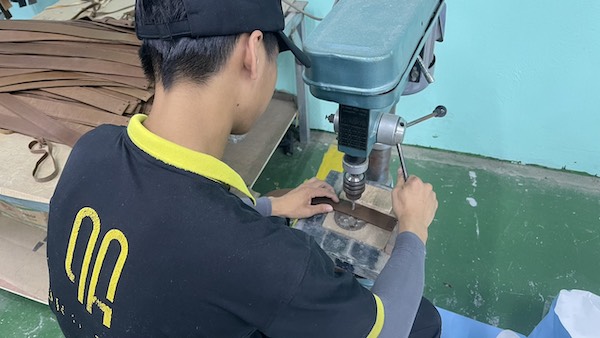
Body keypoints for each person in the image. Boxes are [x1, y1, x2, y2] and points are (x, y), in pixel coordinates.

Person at [46, 0, 441, 337]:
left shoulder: (92, 148)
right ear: (253, 52)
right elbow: (390, 329)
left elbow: (164, 238)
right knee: (421, 321)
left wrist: (269, 208)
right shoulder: (262, 257)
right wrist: (413, 229)